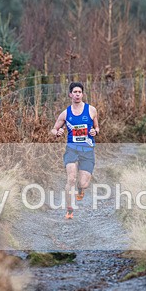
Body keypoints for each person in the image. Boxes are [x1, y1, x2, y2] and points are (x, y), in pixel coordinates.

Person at [51, 81, 99, 219]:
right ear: (70, 94)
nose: (77, 94)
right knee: (70, 179)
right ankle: (69, 210)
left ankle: (81, 189)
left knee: (83, 183)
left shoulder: (91, 110)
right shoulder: (65, 114)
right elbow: (53, 129)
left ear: (82, 94)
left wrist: (95, 131)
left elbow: (97, 127)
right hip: (72, 149)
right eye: (75, 92)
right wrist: (57, 132)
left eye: (79, 92)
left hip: (87, 150)